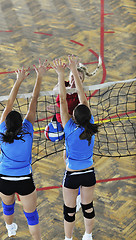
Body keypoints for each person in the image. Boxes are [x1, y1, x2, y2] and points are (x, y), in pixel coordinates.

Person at [0, 60, 48, 239]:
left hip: (5, 180)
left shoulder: (2, 130)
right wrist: (39, 75)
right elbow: (33, 100)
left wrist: (18, 80)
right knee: (32, 217)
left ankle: (10, 229)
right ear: (22, 124)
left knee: (7, 208)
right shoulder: (27, 131)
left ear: (6, 124)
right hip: (25, 180)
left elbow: (9, 102)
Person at [52, 56, 100, 240]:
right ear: (88, 116)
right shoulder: (92, 126)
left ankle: (68, 238)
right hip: (89, 173)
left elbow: (63, 102)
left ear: (74, 117)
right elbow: (83, 99)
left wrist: (62, 73)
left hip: (72, 175)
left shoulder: (69, 128)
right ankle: (88, 235)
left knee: (69, 211)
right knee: (88, 208)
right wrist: (73, 73)